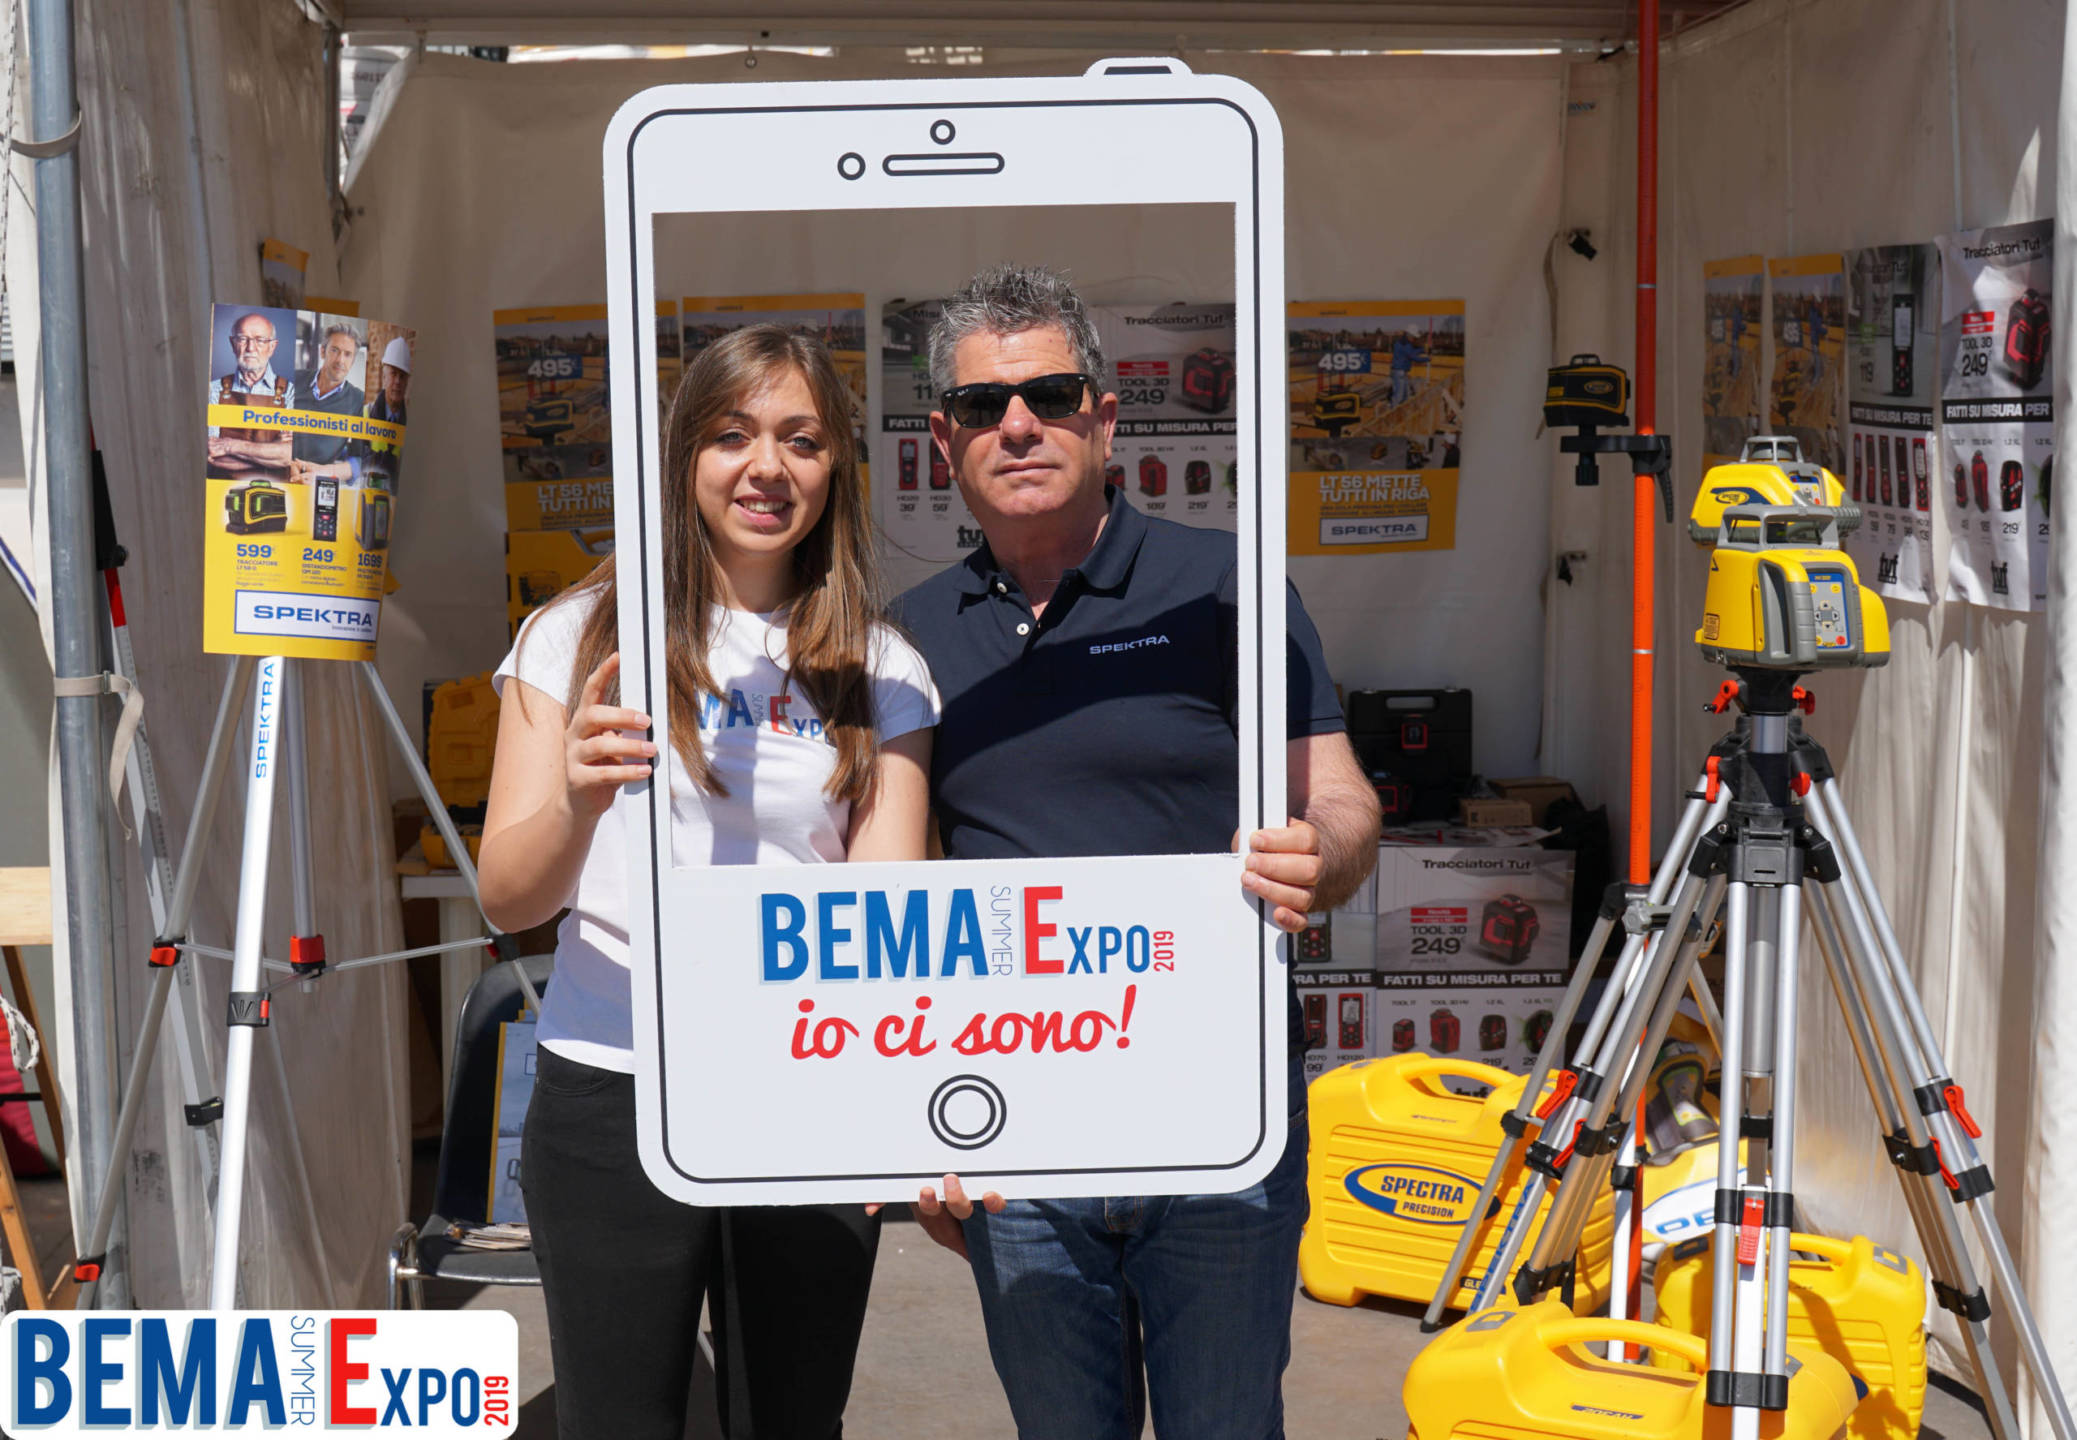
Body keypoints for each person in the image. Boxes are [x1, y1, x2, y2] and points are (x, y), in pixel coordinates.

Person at [889, 264, 1381, 1440]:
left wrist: (1317, 852)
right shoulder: (908, 634)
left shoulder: (1224, 588)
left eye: (1051, 396)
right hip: (1019, 1119)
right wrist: (911, 1122)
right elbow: (891, 893)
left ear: (1104, 419)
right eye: (982, 405)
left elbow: (1342, 799)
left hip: (1218, 1108)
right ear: (943, 441)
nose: (1018, 424)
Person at [478, 324, 938, 1440]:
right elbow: (508, 899)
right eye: (733, 435)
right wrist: (578, 800)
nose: (766, 467)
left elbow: (890, 920)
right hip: (613, 1085)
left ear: (835, 470)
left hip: (808, 1093)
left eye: (801, 440)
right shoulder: (578, 635)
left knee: (791, 1421)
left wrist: (898, 1110)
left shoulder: (883, 667)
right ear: (684, 454)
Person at [207, 311, 295, 481]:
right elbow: (212, 454)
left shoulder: (290, 393)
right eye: (242, 339)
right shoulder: (214, 390)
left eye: (260, 340)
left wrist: (230, 445)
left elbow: (287, 456)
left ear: (272, 347)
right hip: (222, 490)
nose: (250, 348)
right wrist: (271, 454)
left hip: (275, 491)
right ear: (233, 344)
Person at [289, 321, 365, 486]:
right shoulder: (292, 380)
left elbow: (361, 459)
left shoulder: (358, 400)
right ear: (323, 351)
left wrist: (324, 472)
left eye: (347, 354)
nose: (340, 360)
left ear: (353, 360)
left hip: (317, 485)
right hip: (278, 474)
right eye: (334, 350)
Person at [362, 334, 411, 492]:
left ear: (407, 382)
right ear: (384, 377)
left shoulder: (411, 425)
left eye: (402, 376)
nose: (397, 381)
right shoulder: (365, 415)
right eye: (393, 374)